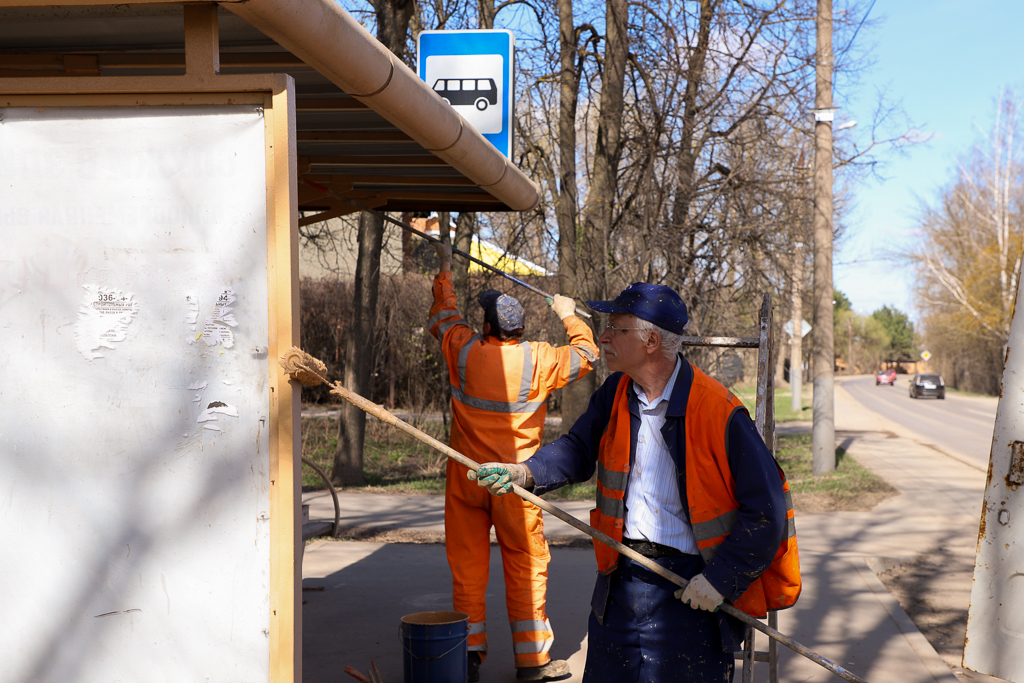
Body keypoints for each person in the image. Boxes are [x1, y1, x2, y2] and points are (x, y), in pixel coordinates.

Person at [468, 282, 800, 683]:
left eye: (615, 329)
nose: (603, 337)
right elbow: (576, 448)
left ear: (651, 341)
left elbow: (767, 513)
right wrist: (526, 472)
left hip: (691, 594)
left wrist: (721, 580)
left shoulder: (719, 412)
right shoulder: (616, 392)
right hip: (621, 584)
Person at [428, 242, 600, 682]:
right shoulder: (540, 358)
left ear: (485, 326)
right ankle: (532, 663)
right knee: (525, 566)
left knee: (467, 570)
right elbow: (588, 353)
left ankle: (466, 656)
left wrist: (445, 275)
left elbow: (442, 319)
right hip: (517, 484)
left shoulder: (464, 350)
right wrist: (566, 312)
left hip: (467, 480)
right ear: (520, 329)